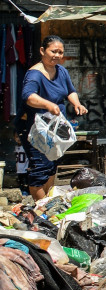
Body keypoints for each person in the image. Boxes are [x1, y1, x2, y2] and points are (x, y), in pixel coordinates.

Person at [19, 35, 87, 200]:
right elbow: (28, 96)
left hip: (56, 129)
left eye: (60, 52)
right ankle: (41, 208)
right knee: (40, 169)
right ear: (42, 51)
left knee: (51, 167)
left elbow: (70, 91)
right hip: (36, 130)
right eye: (53, 51)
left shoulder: (61, 70)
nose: (57, 55)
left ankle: (48, 203)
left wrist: (76, 103)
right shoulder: (34, 74)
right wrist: (47, 104)